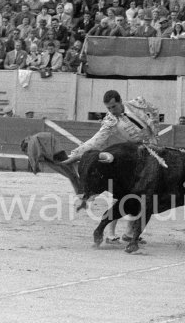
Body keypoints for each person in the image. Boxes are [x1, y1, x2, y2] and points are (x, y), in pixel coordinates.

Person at [65, 90, 160, 244]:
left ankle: (129, 232)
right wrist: (76, 153)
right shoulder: (110, 121)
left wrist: (154, 130)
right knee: (123, 194)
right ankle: (110, 232)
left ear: (120, 101)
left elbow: (155, 111)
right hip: (132, 157)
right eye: (108, 108)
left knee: (141, 195)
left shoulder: (137, 104)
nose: (111, 111)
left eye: (113, 107)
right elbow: (96, 141)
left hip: (151, 153)